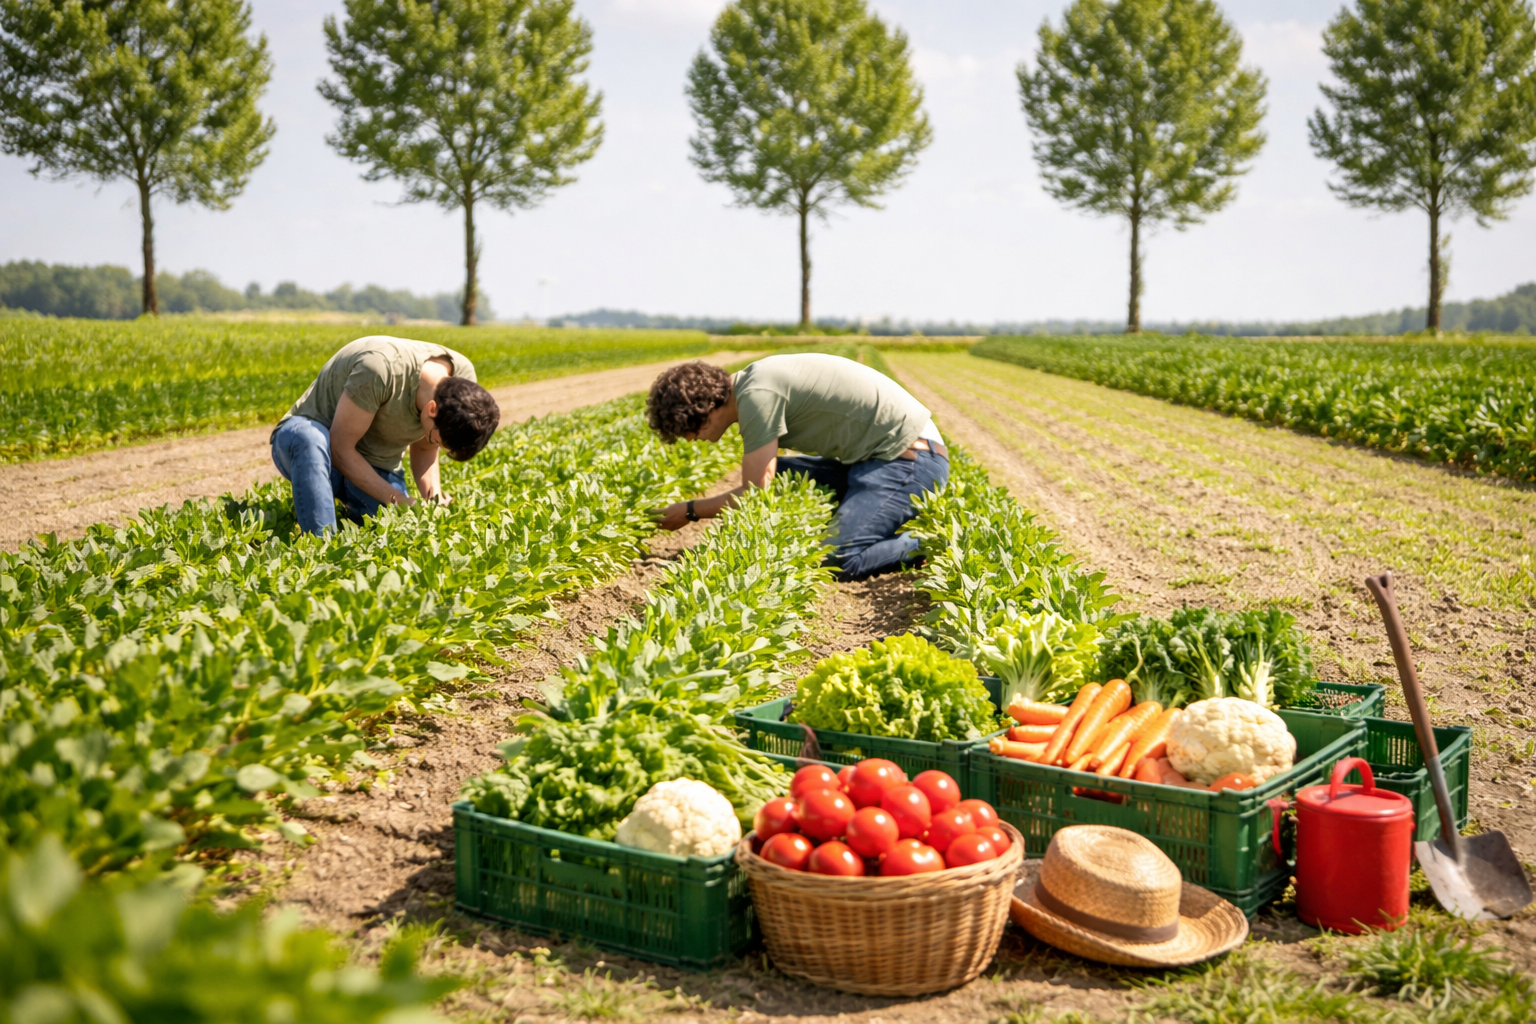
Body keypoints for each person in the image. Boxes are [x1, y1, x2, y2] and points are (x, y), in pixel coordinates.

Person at [646, 353, 948, 579]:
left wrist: (690, 511)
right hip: (874, 459)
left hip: (910, 460)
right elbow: (765, 479)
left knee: (835, 559)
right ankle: (874, 519)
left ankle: (925, 543)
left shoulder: (757, 395)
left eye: (686, 429)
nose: (688, 439)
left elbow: (755, 493)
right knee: (779, 476)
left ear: (705, 410)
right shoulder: (752, 384)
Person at [270, 336, 501, 534]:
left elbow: (425, 448)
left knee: (396, 526)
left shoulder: (463, 382)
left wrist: (435, 499)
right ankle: (321, 547)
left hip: (376, 464)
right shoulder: (380, 369)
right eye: (435, 438)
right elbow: (339, 448)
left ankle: (344, 504)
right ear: (432, 409)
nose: (433, 443)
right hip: (315, 450)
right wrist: (396, 498)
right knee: (310, 438)